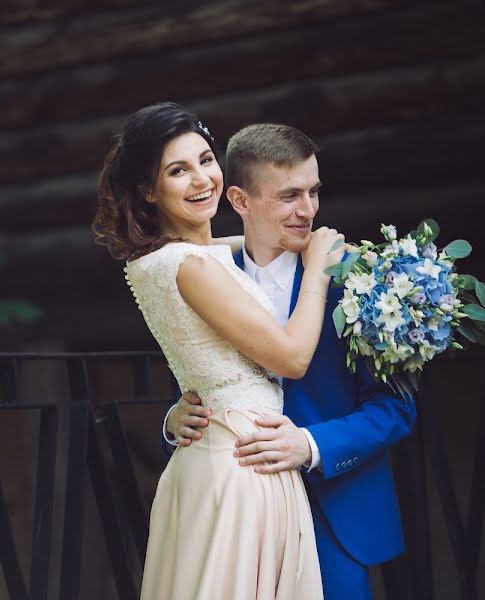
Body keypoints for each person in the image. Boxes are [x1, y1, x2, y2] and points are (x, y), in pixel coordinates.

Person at [94, 101, 344, 599]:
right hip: (242, 471)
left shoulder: (158, 260)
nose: (201, 179)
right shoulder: (193, 267)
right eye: (177, 171)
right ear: (149, 190)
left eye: (206, 160)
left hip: (219, 460)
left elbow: (231, 248)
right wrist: (317, 265)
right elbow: (291, 358)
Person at [164, 123, 418, 599]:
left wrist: (311, 444)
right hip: (237, 518)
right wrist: (174, 419)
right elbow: (203, 382)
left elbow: (397, 408)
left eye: (313, 192)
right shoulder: (206, 279)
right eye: (289, 196)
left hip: (331, 515)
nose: (309, 211)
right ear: (240, 202)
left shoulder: (357, 282)